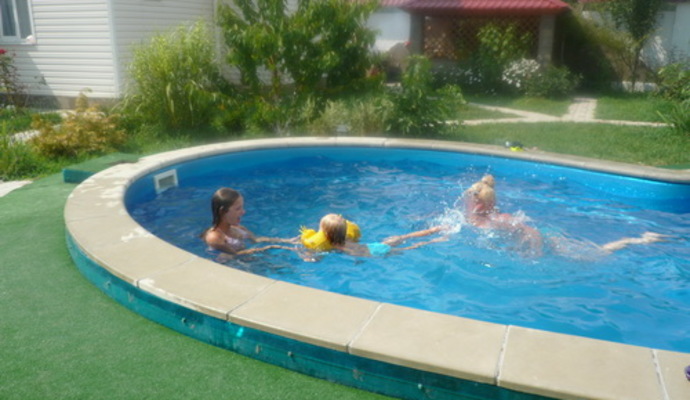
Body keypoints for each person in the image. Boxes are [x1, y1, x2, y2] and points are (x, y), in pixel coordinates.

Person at [461, 174, 667, 258]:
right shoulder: (474, 215)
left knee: (591, 257)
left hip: (549, 241)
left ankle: (637, 240)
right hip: (542, 238)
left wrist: (535, 253)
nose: (474, 205)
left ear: (490, 204)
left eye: (479, 202)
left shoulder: (498, 219)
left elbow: (531, 232)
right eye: (472, 200)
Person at [202, 187, 297, 255]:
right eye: (238, 209)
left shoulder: (239, 228)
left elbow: (256, 239)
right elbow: (235, 255)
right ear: (223, 211)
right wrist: (273, 247)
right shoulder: (215, 237)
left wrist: (288, 241)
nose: (243, 212)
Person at [307, 213, 447, 257]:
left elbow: (315, 257)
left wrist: (307, 254)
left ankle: (434, 240)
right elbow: (357, 240)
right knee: (404, 237)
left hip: (374, 252)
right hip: (372, 246)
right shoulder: (347, 237)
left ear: (325, 234)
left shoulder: (331, 245)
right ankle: (434, 230)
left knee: (409, 248)